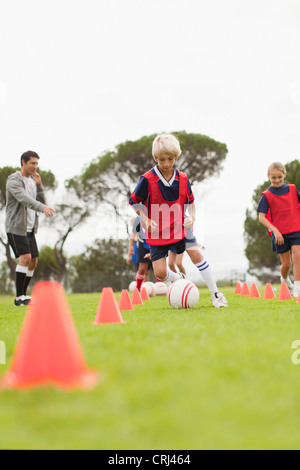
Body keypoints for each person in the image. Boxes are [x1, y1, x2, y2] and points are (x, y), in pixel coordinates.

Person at [129, 133, 228, 308]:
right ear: (155, 158)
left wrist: (192, 217)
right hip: (157, 230)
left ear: (176, 157)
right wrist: (145, 218)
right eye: (161, 160)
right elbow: (134, 201)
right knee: (160, 273)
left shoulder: (183, 178)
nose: (166, 164)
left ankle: (216, 294)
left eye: (170, 159)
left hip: (179, 225)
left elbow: (191, 202)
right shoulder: (147, 179)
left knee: (197, 255)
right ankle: (179, 279)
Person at [5, 150, 55, 306]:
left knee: (33, 261)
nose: (35, 167)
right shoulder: (13, 180)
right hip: (16, 227)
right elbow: (24, 199)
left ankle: (24, 296)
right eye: (32, 163)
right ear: (23, 162)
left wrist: (39, 187)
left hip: (30, 228)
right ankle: (20, 297)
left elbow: (42, 200)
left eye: (37, 164)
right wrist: (42, 208)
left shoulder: (33, 181)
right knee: (25, 258)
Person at [257, 161, 300, 297]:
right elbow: (261, 217)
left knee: (297, 255)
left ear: (284, 174)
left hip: (295, 229)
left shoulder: (293, 189)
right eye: (273, 178)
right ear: (268, 176)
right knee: (286, 264)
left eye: (279, 177)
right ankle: (285, 279)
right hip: (280, 233)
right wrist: (275, 230)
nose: (277, 180)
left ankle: (298, 288)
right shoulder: (267, 195)